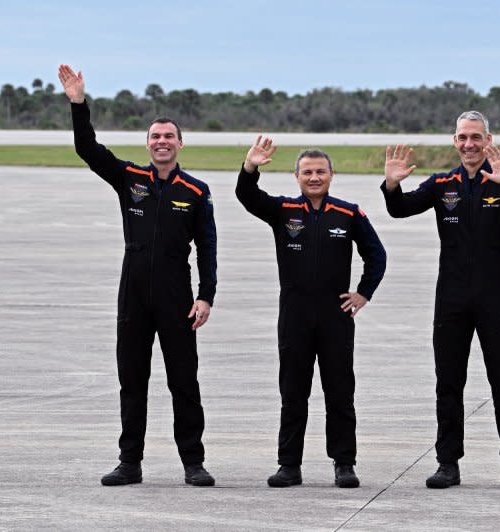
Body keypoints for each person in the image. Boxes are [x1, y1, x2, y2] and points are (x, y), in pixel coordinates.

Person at [58, 65, 217, 487]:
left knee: (184, 381)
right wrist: (78, 104)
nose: (162, 142)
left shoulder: (196, 192)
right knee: (133, 381)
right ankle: (130, 462)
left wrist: (206, 296)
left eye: (169, 136)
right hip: (133, 295)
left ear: (180, 143)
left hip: (176, 296)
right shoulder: (130, 179)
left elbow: (208, 248)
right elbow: (88, 149)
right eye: (155, 137)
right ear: (147, 144)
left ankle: (193, 463)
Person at [381, 111, 500, 489]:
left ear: (488, 140)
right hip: (451, 298)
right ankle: (447, 464)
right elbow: (400, 209)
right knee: (448, 383)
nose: (469, 144)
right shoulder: (442, 184)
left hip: (495, 297)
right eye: (462, 137)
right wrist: (391, 185)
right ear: (454, 141)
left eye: (475, 137)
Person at [236, 138, 386, 488]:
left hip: (335, 316)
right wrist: (250, 168)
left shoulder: (349, 213)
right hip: (295, 314)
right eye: (307, 172)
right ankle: (289, 464)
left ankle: (344, 463)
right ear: (296, 176)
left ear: (331, 175)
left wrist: (363, 292)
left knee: (339, 392)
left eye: (320, 172)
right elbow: (247, 197)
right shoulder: (283, 210)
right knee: (293, 392)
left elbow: (376, 255)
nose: (314, 177)